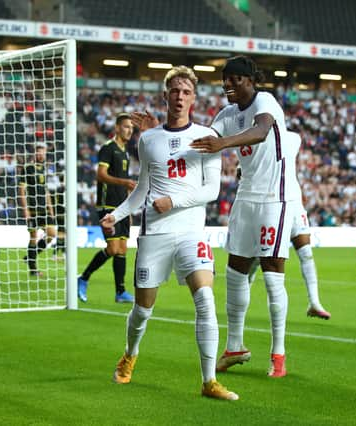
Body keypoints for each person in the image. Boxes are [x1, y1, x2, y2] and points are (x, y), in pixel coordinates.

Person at [102, 66, 238, 401]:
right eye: (174, 91)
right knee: (143, 309)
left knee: (205, 300)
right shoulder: (148, 139)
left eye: (186, 92)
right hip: (155, 233)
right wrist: (116, 214)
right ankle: (129, 355)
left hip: (191, 233)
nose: (179, 97)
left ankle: (209, 382)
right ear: (166, 96)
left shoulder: (208, 136)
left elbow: (211, 192)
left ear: (194, 98)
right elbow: (143, 188)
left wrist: (173, 200)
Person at [190, 55, 293, 378]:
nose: (228, 84)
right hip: (246, 198)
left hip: (275, 198)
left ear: (250, 80)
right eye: (225, 78)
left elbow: (262, 131)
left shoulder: (265, 101)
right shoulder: (227, 114)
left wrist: (223, 143)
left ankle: (278, 354)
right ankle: (235, 345)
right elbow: (202, 137)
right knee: (235, 272)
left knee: (272, 273)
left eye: (235, 78)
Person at [246, 131, 331, 320]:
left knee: (306, 253)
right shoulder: (257, 143)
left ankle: (314, 302)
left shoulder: (292, 138)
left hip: (294, 203)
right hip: (270, 204)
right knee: (259, 257)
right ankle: (242, 300)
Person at [78, 113, 136, 303]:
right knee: (112, 248)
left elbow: (125, 185)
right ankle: (83, 278)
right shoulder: (108, 148)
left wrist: (128, 209)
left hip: (121, 207)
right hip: (107, 204)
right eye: (126, 127)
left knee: (122, 249)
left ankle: (120, 292)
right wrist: (124, 182)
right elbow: (101, 175)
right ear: (117, 128)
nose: (130, 130)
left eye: (132, 128)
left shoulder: (125, 151)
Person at [18, 143, 57, 277]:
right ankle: (33, 269)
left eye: (43, 152)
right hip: (32, 209)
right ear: (35, 154)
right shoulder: (28, 168)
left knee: (52, 234)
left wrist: (50, 208)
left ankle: (30, 257)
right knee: (33, 237)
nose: (41, 155)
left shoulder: (43, 169)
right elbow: (21, 190)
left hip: (44, 209)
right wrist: (25, 209)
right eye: (38, 152)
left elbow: (45, 191)